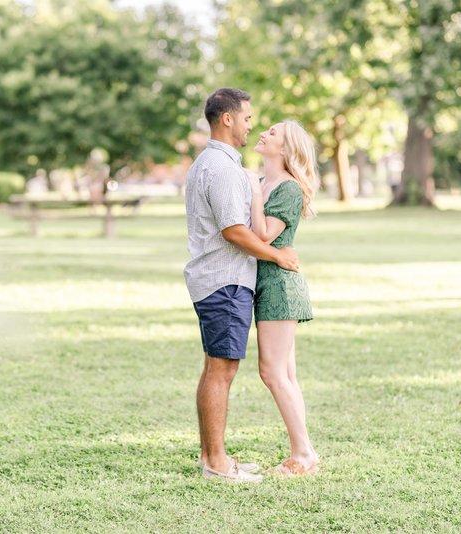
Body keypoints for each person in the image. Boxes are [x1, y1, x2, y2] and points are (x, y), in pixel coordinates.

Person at [184, 88, 300, 482]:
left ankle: (212, 456)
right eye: (248, 117)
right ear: (228, 119)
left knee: (216, 368)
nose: (251, 124)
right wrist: (278, 256)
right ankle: (216, 464)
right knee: (222, 370)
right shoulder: (222, 168)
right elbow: (234, 231)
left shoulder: (215, 163)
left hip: (219, 280)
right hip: (225, 281)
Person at [248, 119, 321, 475]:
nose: (263, 133)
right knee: (286, 374)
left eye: (273, 132)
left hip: (279, 283)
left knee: (272, 371)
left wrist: (249, 189)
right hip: (264, 279)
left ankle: (304, 454)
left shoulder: (288, 189)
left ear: (287, 148)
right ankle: (302, 450)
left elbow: (262, 237)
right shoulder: (264, 183)